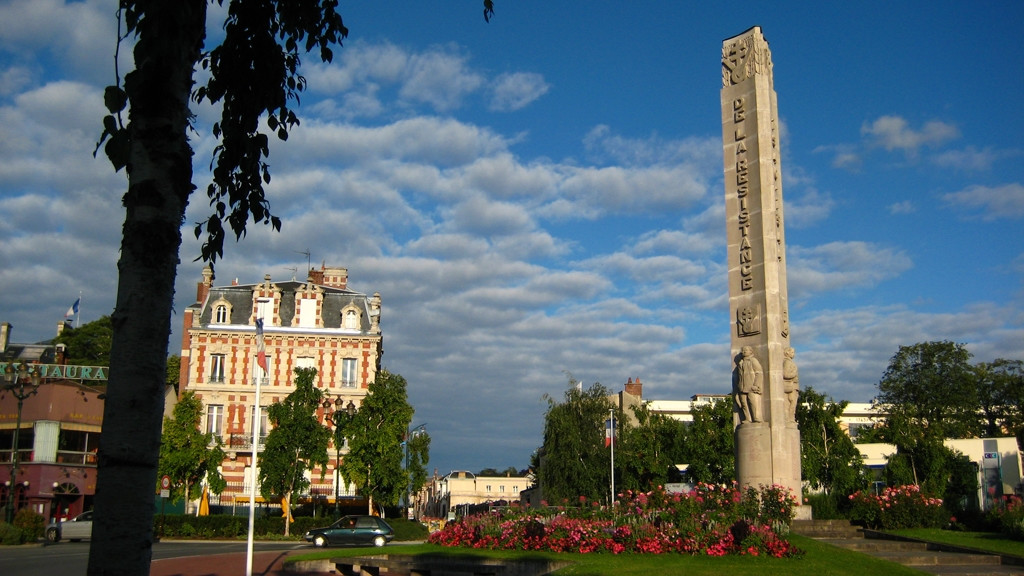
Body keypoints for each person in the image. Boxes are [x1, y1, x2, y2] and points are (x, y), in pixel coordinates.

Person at [734, 346, 763, 423]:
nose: (744, 351)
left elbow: (759, 373)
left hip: (750, 386)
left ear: (751, 351)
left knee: (752, 402)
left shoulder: (753, 360)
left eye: (746, 350)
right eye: (743, 350)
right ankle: (747, 418)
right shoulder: (740, 362)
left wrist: (756, 385)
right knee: (743, 403)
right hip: (742, 386)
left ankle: (755, 417)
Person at [783, 347, 800, 422]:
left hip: (794, 385)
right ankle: (789, 418)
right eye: (792, 352)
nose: (793, 354)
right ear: (787, 353)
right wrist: (794, 373)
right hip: (791, 385)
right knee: (792, 402)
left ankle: (790, 418)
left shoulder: (789, 362)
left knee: (793, 403)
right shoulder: (787, 362)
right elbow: (785, 374)